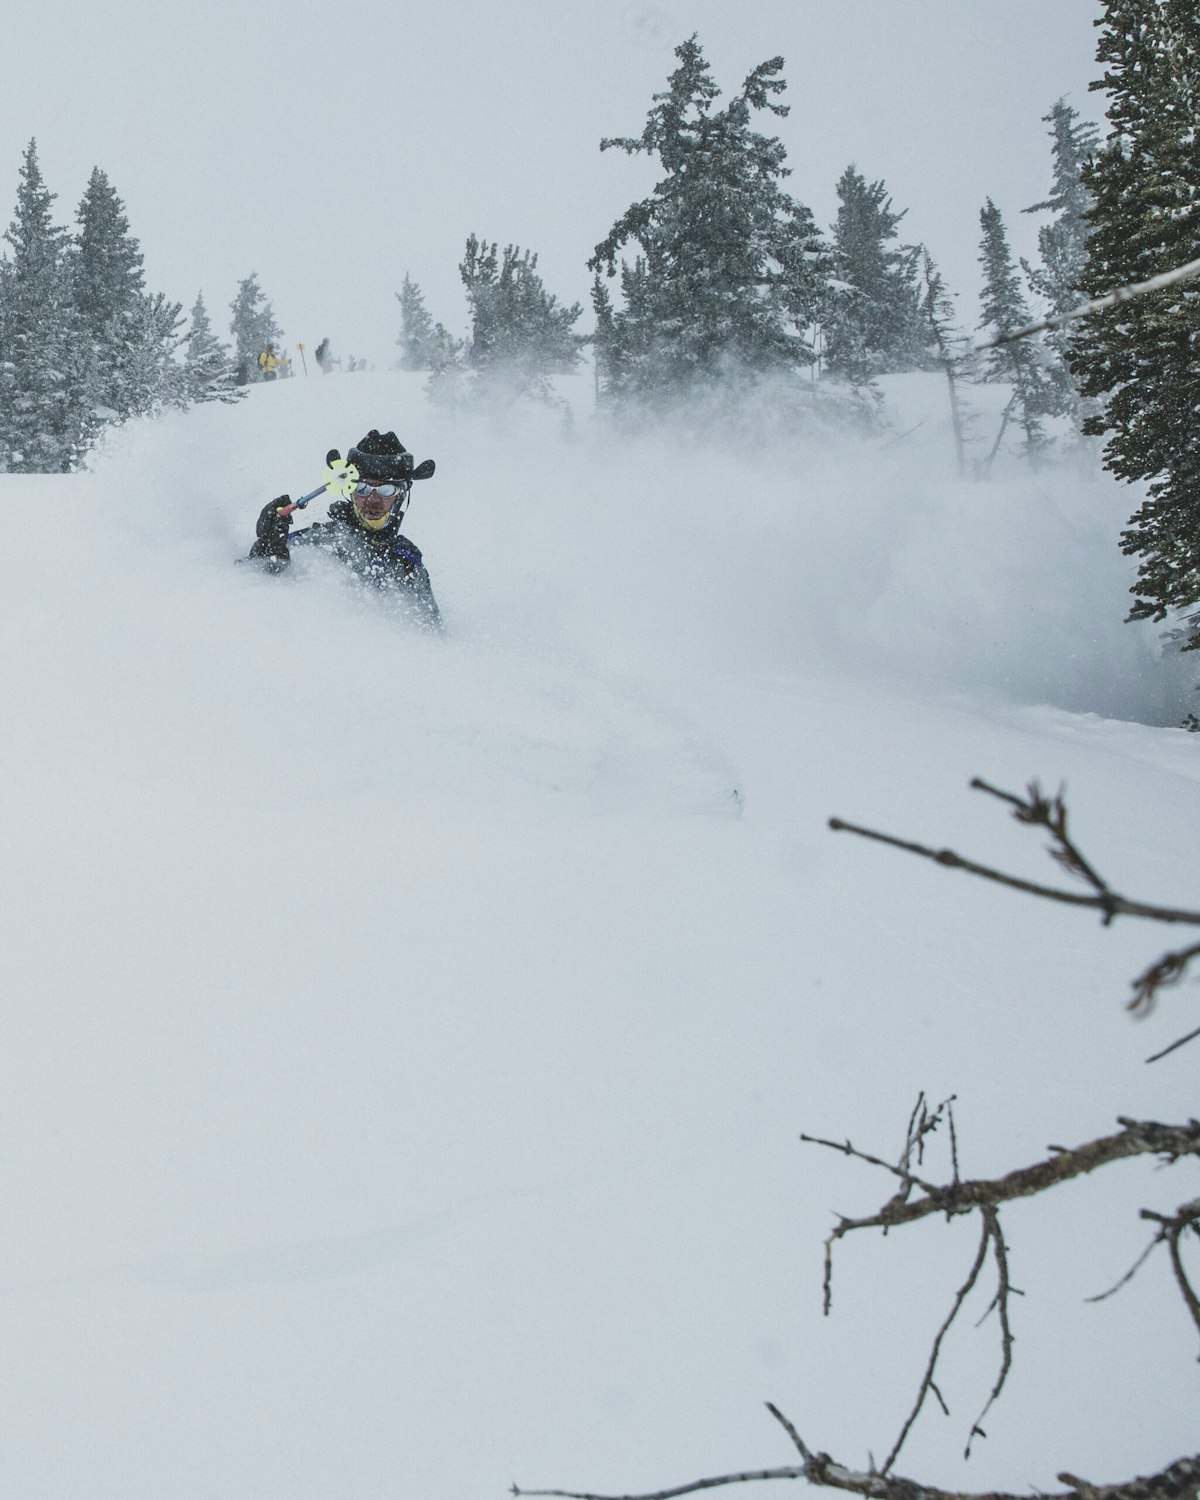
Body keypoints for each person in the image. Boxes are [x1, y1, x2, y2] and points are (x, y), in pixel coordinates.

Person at [248, 428, 441, 629]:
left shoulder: (407, 560)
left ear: (401, 494)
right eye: (362, 488)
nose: (373, 499)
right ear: (349, 490)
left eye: (386, 490)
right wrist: (267, 549)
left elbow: (432, 633)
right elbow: (250, 589)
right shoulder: (317, 541)